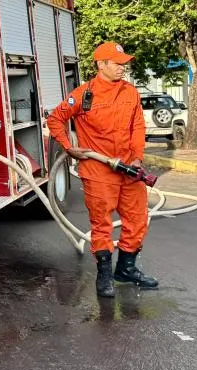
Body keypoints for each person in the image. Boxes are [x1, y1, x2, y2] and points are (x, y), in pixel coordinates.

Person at [47, 41, 158, 298]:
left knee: (137, 219)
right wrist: (68, 146)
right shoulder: (85, 94)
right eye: (117, 64)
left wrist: (138, 158)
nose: (122, 68)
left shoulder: (130, 92)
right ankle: (104, 276)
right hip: (98, 169)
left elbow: (138, 127)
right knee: (102, 225)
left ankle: (126, 270)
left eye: (123, 64)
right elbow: (55, 119)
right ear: (101, 65)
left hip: (129, 168)